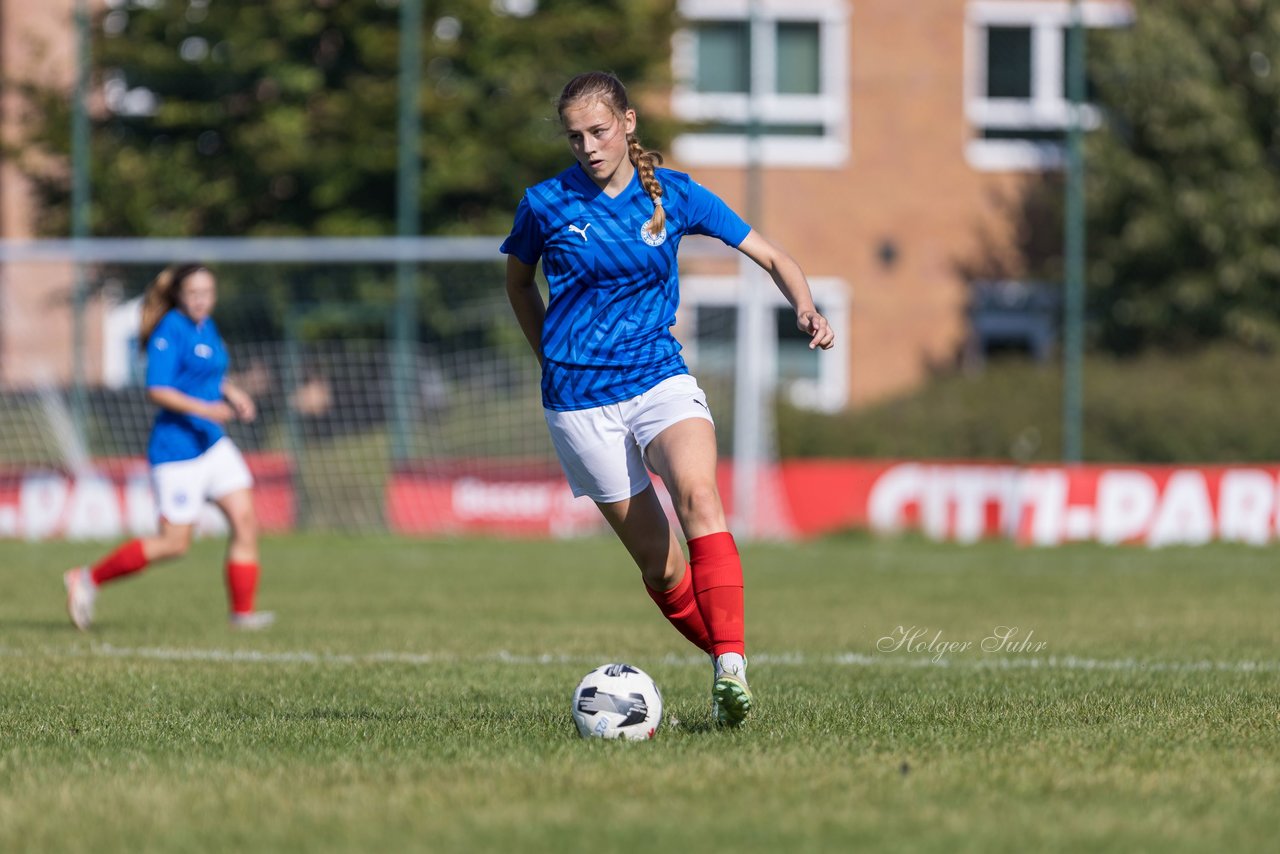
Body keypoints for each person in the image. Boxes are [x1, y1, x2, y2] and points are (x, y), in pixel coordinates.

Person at [502, 71, 835, 726]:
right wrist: (550, 356)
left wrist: (805, 306)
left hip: (659, 378)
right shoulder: (543, 204)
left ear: (628, 123)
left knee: (699, 495)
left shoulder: (674, 195)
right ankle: (724, 666)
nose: (588, 147)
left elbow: (771, 255)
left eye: (599, 131)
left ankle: (731, 665)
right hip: (578, 401)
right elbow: (518, 285)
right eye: (575, 137)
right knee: (661, 568)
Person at [63, 264, 274, 631]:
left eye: (207, 293)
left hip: (212, 445)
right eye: (194, 293)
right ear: (179, 295)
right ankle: (86, 579)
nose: (201, 300)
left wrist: (233, 392)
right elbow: (157, 389)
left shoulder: (206, 326)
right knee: (175, 544)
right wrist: (206, 408)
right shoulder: (169, 330)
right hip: (177, 452)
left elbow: (208, 373)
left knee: (244, 520)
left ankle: (242, 615)